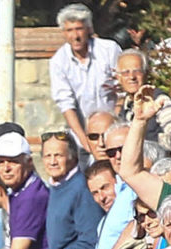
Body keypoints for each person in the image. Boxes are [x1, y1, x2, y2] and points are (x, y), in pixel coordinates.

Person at [17, 131, 103, 249]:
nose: (52, 162)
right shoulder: (55, 187)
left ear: (73, 157)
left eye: (58, 155)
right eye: (47, 156)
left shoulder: (82, 189)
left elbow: (89, 244)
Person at [49, 3, 122, 154]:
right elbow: (66, 103)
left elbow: (121, 90)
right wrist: (85, 141)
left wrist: (114, 126)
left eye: (79, 29)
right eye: (69, 30)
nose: (75, 36)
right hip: (83, 134)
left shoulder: (109, 50)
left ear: (88, 29)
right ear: (63, 32)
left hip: (114, 128)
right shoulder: (58, 61)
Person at [112, 50, 171, 153]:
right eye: (126, 72)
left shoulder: (158, 100)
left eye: (137, 71)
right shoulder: (125, 107)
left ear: (146, 74)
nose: (132, 77)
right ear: (118, 77)